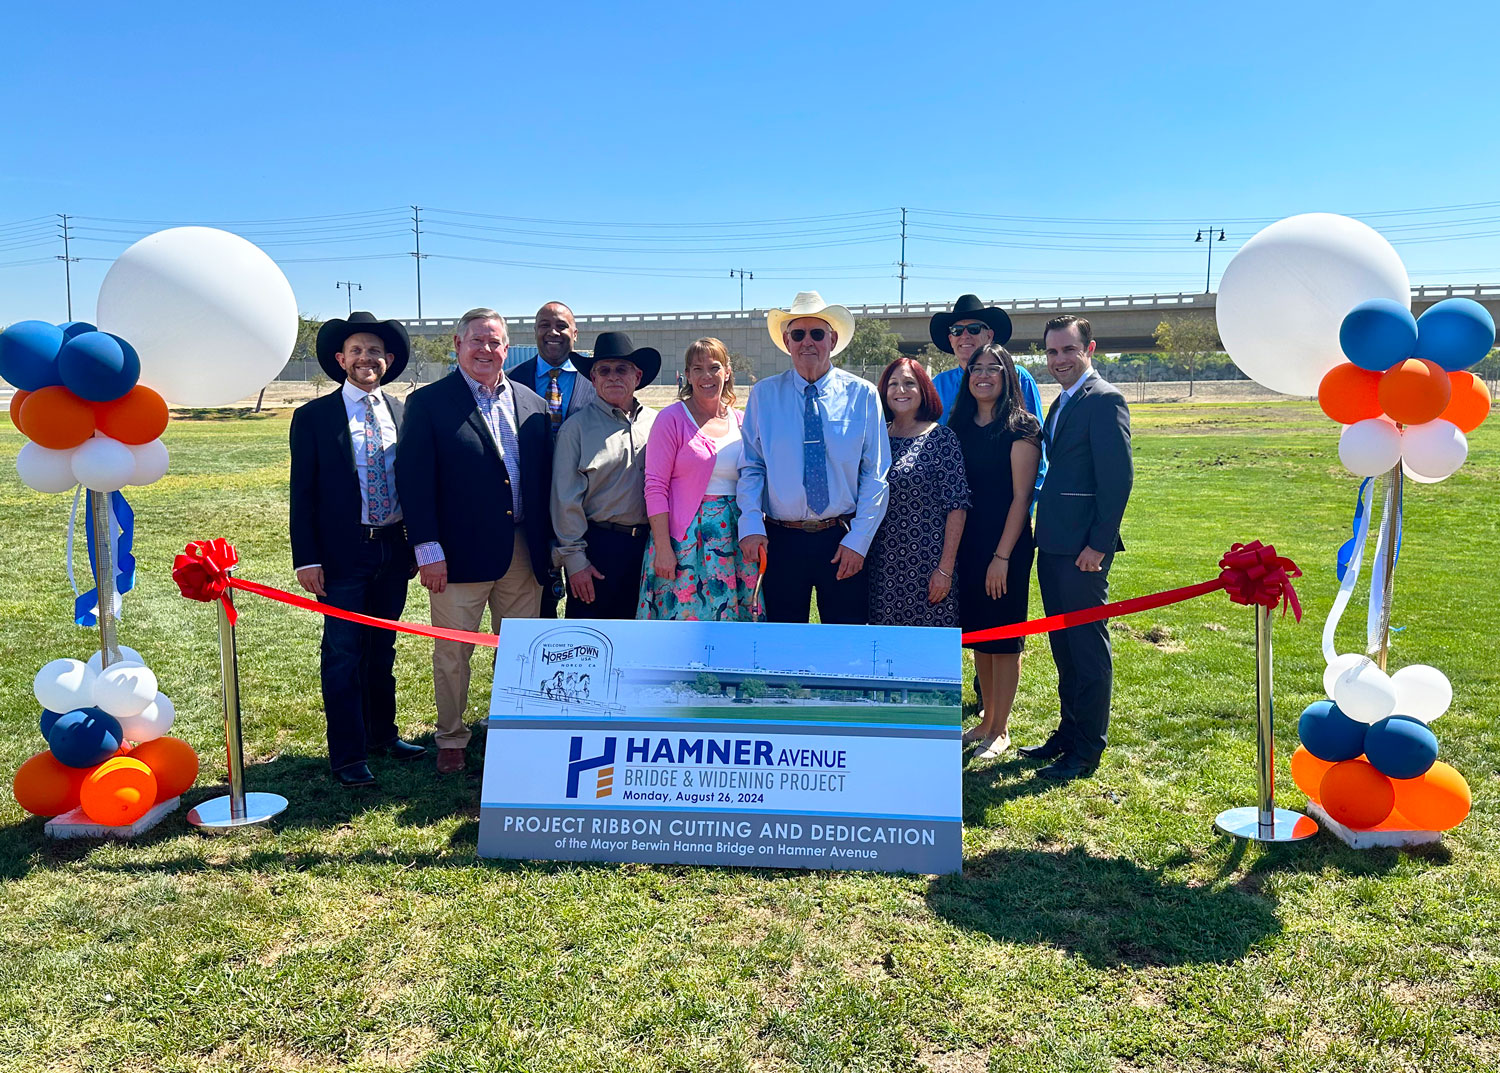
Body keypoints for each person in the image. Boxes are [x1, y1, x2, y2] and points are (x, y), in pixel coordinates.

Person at [396, 308, 553, 775]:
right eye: (477, 341)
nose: (487, 350)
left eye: (496, 342)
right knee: (453, 652)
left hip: (524, 550)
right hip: (456, 553)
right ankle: (451, 737)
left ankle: (514, 729)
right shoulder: (428, 404)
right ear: (457, 344)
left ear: (508, 347)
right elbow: (414, 479)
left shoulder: (533, 404)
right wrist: (427, 547)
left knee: (521, 649)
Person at [289, 312, 427, 786]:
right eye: (356, 351)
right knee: (344, 652)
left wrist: (415, 544)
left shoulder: (404, 412)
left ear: (388, 361)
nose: (366, 359)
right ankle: (348, 755)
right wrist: (307, 558)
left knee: (382, 648)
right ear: (339, 359)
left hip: (393, 550)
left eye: (375, 351)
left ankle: (382, 734)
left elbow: (415, 484)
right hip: (342, 555)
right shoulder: (313, 417)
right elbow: (302, 492)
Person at [1019, 315, 1133, 780]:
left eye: (1068, 350)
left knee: (1086, 648)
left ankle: (1087, 750)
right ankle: (1068, 734)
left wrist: (1098, 547)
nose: (1059, 360)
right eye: (1051, 352)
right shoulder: (1061, 402)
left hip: (1083, 551)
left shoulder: (1105, 400)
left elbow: (1118, 480)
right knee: (1063, 646)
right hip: (1053, 544)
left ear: (1090, 349)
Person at [737, 291, 890, 624]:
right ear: (786, 340)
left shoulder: (862, 395)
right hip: (782, 539)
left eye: (817, 333)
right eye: (798, 334)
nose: (808, 342)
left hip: (841, 538)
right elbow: (752, 466)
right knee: (784, 644)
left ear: (832, 340)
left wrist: (859, 540)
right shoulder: (764, 395)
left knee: (846, 642)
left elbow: (876, 474)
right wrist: (749, 523)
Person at [950, 345, 1043, 760]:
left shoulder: (1022, 427)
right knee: (980, 636)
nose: (983, 375)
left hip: (1005, 545)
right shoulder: (958, 425)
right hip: (968, 544)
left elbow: (1021, 499)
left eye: (994, 369)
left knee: (1005, 638)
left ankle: (1001, 729)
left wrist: (1001, 557)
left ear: (1008, 377)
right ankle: (986, 720)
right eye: (976, 369)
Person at [637, 338, 758, 621]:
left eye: (714, 367)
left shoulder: (743, 420)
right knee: (684, 618)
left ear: (727, 372)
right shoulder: (671, 419)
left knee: (734, 623)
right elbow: (655, 487)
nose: (707, 376)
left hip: (735, 541)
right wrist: (663, 548)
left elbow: (755, 477)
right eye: (697, 368)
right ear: (687, 375)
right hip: (685, 542)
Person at [551, 332, 660, 620]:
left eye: (621, 369)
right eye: (604, 370)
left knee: (644, 641)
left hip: (650, 548)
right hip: (599, 550)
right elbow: (565, 500)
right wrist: (575, 561)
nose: (613, 377)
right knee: (593, 645)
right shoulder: (575, 429)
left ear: (637, 376)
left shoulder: (658, 423)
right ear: (593, 379)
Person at [508, 301, 598, 618]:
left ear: (575, 332)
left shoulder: (598, 380)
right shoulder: (511, 382)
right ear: (535, 332)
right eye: (544, 325)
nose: (552, 332)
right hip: (529, 513)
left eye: (560, 325)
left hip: (584, 512)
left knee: (586, 604)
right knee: (532, 608)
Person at [866, 357, 969, 628]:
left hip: (928, 564)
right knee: (885, 654)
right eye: (894, 384)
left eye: (909, 383)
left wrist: (945, 569)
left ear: (924, 390)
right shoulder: (876, 437)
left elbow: (957, 507)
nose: (900, 390)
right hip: (880, 565)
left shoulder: (942, 439)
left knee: (928, 658)